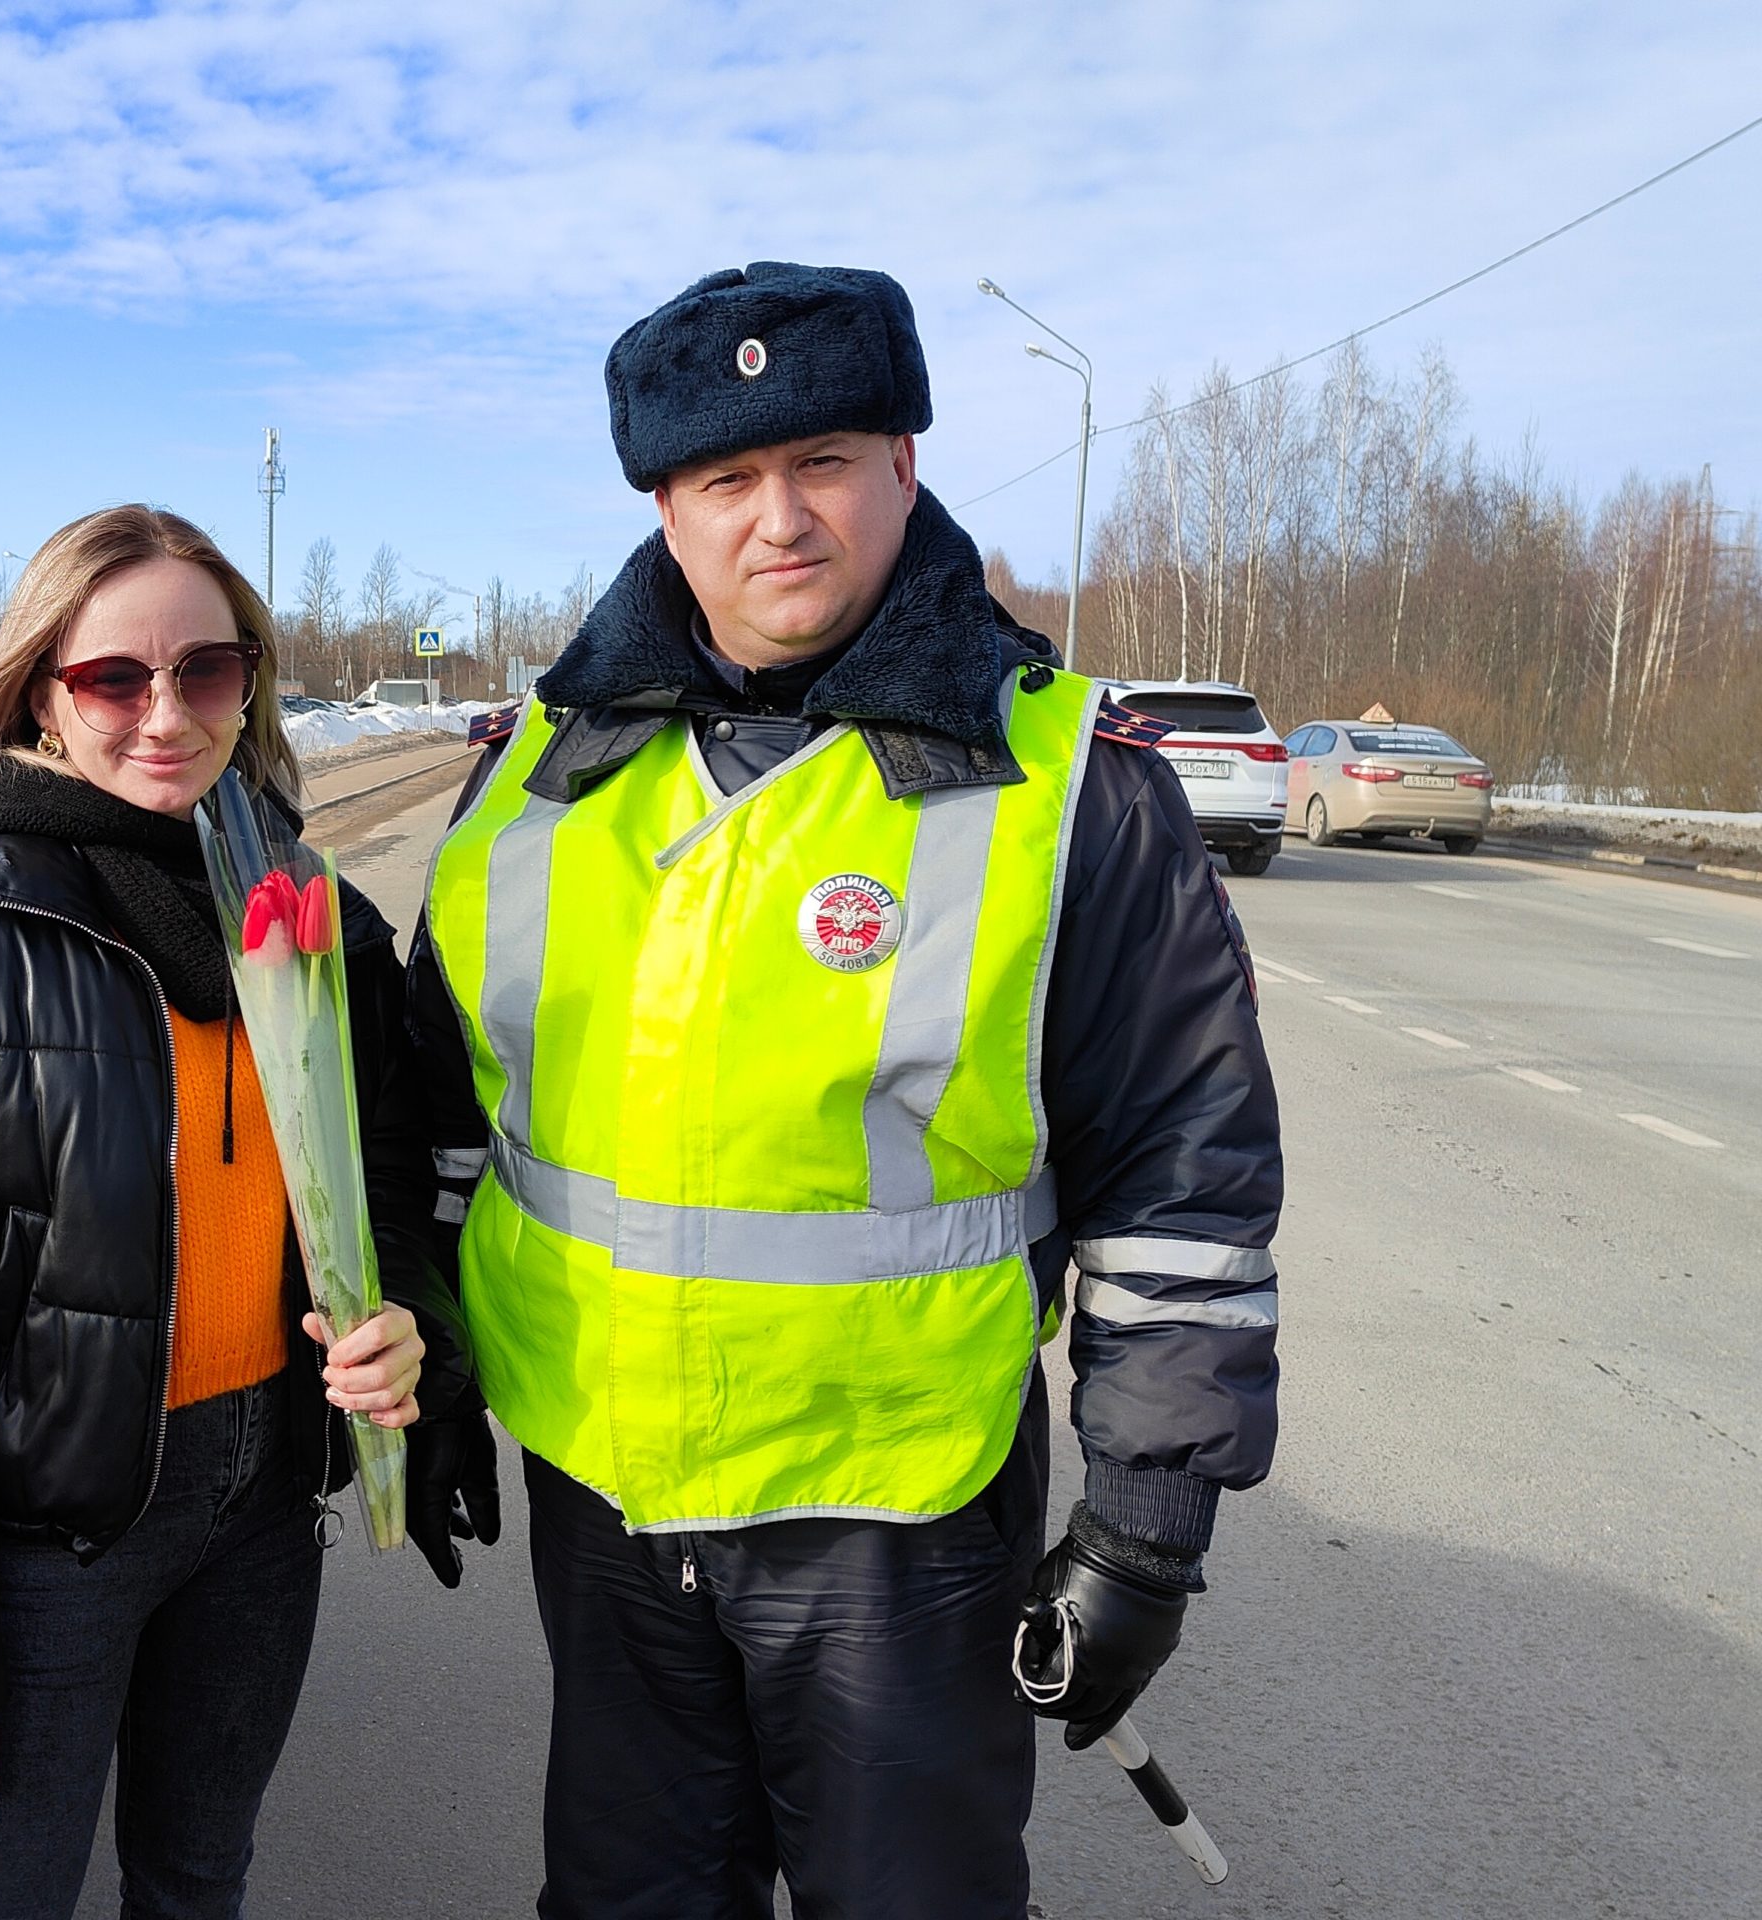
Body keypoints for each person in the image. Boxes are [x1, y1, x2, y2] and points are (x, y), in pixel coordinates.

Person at [405, 263, 1282, 1918]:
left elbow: (1183, 1183)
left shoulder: (1064, 787)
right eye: (728, 478)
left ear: (905, 464)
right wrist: (445, 1349)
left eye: (822, 462)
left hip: (895, 1517)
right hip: (601, 1489)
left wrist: (1147, 1528)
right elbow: (457, 1110)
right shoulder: (529, 772)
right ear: (667, 509)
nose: (778, 519)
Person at [0, 504, 471, 1919]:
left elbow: (389, 1178)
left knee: (197, 1878)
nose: (165, 715)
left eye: (206, 673)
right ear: (45, 686)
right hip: (48, 1539)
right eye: (115, 678)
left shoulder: (308, 914)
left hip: (263, 1506)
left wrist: (406, 1323)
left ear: (250, 682)